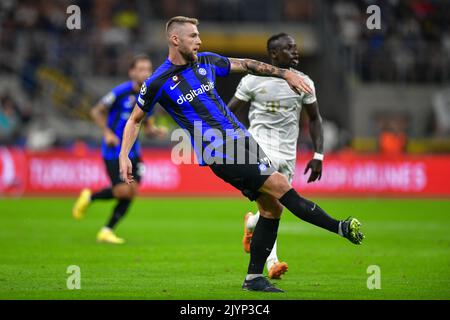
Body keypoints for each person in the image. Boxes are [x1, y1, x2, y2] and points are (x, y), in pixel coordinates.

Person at [119, 16, 364, 293]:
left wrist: (285, 73)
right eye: (193, 36)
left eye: (199, 35)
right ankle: (340, 227)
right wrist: (124, 155)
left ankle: (253, 279)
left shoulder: (207, 62)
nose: (199, 41)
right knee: (282, 188)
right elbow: (135, 120)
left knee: (272, 208)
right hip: (220, 150)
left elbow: (246, 64)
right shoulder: (157, 82)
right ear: (175, 40)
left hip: (243, 141)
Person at [227, 33, 323, 280]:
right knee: (275, 205)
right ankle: (272, 263)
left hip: (287, 153)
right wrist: (235, 141)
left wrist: (318, 154)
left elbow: (314, 119)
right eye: (289, 48)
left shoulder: (304, 82)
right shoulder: (252, 81)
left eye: (296, 47)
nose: (295, 52)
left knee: (274, 208)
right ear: (273, 54)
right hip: (259, 148)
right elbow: (229, 112)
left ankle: (251, 225)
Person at [72, 54, 167, 244]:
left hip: (135, 153)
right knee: (123, 190)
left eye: (148, 69)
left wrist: (155, 132)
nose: (145, 73)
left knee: (132, 191)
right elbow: (96, 111)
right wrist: (107, 133)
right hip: (113, 151)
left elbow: (146, 126)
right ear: (132, 72)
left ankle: (107, 230)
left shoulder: (149, 95)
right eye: (141, 69)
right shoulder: (120, 92)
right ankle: (90, 197)